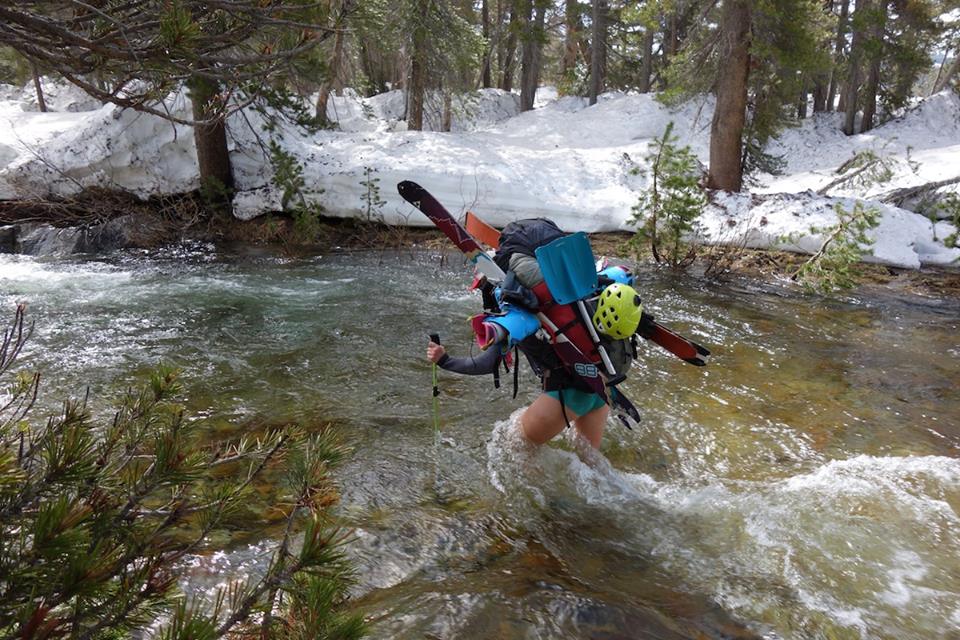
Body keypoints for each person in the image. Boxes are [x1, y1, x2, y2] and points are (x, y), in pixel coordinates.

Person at [426, 278, 643, 449]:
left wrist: (444, 360)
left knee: (513, 443)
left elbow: (485, 364)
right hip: (599, 389)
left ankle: (544, 505)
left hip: (565, 395)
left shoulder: (513, 314)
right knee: (590, 464)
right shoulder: (568, 295)